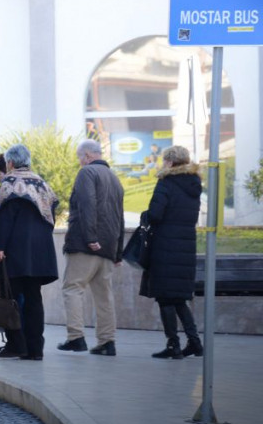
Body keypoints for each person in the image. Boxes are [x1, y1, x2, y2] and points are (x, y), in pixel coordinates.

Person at [0, 144, 59, 361]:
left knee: (13, 298)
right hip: (40, 250)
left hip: (16, 250)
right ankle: (35, 349)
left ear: (10, 162)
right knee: (33, 299)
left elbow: (6, 218)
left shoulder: (10, 183)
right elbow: (51, 214)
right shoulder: (40, 182)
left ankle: (17, 345)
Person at [58, 139, 125, 356]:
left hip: (86, 245)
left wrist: (89, 237)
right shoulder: (115, 179)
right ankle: (107, 341)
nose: (79, 162)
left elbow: (87, 205)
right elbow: (119, 217)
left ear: (87, 156)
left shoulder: (87, 173)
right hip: (108, 248)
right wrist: (118, 251)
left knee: (72, 288)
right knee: (104, 295)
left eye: (80, 158)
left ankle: (75, 337)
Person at [139, 145, 204, 359]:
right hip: (185, 247)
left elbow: (156, 214)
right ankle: (194, 343)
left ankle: (173, 345)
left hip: (165, 247)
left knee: (166, 298)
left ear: (169, 162)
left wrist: (145, 215)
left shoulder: (166, 182)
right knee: (178, 299)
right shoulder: (194, 184)